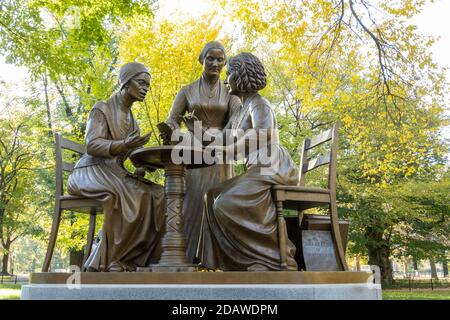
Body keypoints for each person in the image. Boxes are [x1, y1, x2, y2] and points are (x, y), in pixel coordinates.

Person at [196, 52, 299, 271]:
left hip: (272, 165)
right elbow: (221, 137)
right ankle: (225, 261)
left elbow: (262, 133)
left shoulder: (259, 104)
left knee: (225, 202)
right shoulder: (241, 110)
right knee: (211, 195)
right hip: (259, 168)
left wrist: (228, 150)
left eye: (230, 73)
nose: (226, 79)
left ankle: (274, 258)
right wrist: (196, 132)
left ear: (241, 76)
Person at [68, 62, 165, 272]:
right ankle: (110, 259)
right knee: (128, 193)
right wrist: (123, 145)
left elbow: (129, 156)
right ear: (125, 82)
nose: (145, 88)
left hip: (114, 172)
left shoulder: (132, 121)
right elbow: (92, 144)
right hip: (90, 171)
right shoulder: (102, 108)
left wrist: (145, 165)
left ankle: (135, 257)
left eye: (148, 85)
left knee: (158, 194)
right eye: (141, 82)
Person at [164, 41, 241, 262]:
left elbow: (236, 122)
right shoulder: (187, 90)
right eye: (210, 58)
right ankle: (187, 253)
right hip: (192, 148)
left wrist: (214, 137)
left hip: (219, 148)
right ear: (201, 60)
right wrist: (170, 129)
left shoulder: (231, 93)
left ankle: (216, 256)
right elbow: (172, 120)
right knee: (191, 197)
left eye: (220, 59)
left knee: (218, 198)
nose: (215, 63)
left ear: (225, 63)